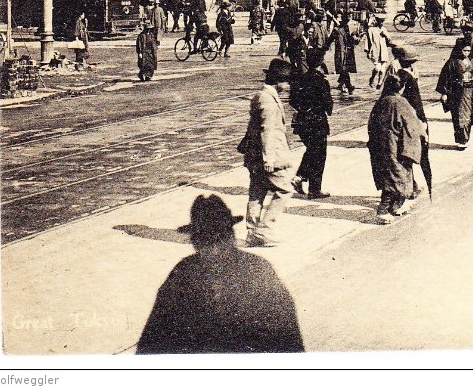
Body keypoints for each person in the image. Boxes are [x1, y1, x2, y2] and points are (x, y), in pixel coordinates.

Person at [136, 194, 304, 354]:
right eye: (207, 241)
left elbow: (288, 340)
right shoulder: (184, 273)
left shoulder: (257, 270)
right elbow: (152, 341)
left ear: (230, 238)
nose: (215, 250)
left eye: (219, 239)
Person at [236, 59, 297, 247]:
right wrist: (269, 157)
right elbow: (267, 130)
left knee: (257, 191)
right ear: (278, 81)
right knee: (285, 190)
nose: (288, 86)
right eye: (287, 82)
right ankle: (265, 229)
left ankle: (252, 232)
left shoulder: (261, 95)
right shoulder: (269, 101)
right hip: (267, 155)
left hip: (254, 155)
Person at [367, 74, 426, 224]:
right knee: (397, 176)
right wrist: (422, 131)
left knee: (389, 175)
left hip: (380, 145)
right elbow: (413, 125)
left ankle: (395, 205)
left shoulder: (381, 101)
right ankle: (383, 209)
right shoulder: (401, 102)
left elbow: (371, 124)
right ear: (401, 87)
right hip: (396, 145)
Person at [289, 48, 334, 200]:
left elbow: (292, 101)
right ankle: (314, 189)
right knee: (319, 154)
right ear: (321, 62)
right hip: (317, 122)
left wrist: (303, 109)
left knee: (312, 150)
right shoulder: (322, 81)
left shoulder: (299, 80)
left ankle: (300, 177)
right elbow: (329, 106)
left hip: (302, 122)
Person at [436, 40, 473, 150]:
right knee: (459, 116)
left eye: (468, 50)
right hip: (457, 93)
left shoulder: (472, 61)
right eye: (464, 50)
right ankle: (460, 140)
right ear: (459, 50)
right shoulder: (452, 62)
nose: (466, 53)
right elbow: (445, 78)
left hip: (471, 91)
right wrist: (444, 93)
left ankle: (466, 138)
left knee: (469, 115)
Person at [329, 13, 358, 95]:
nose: (347, 23)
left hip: (347, 53)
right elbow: (329, 40)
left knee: (344, 69)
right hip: (340, 53)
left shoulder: (347, 30)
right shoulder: (336, 30)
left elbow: (352, 41)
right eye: (346, 21)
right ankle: (349, 86)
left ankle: (341, 84)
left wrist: (355, 38)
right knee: (344, 69)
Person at [364, 14, 392, 89]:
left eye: (383, 22)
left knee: (382, 70)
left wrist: (386, 35)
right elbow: (368, 41)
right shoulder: (371, 30)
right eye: (380, 21)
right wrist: (367, 52)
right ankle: (372, 78)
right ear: (377, 21)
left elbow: (389, 41)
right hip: (375, 51)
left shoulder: (384, 30)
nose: (381, 23)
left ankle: (379, 84)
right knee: (377, 68)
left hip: (383, 52)